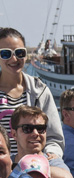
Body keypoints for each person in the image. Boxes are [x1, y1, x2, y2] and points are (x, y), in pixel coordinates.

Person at [0, 27, 65, 159]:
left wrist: (51, 155)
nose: (14, 59)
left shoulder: (40, 91)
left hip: (36, 163)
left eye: (19, 53)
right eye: (6, 54)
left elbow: (54, 137)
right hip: (2, 166)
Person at [11, 105, 72, 178]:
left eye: (40, 129)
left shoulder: (52, 160)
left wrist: (27, 167)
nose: (35, 133)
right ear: (14, 134)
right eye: (27, 129)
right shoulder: (7, 161)